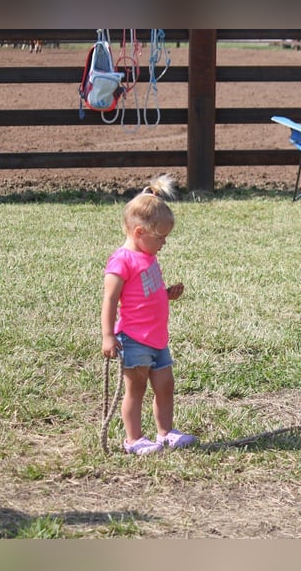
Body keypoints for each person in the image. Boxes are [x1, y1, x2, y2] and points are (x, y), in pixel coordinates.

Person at [101, 174, 197, 455]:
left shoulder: (148, 257)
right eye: (161, 237)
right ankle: (133, 439)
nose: (164, 244)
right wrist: (108, 335)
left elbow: (144, 292)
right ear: (139, 233)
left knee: (165, 386)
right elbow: (110, 300)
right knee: (137, 390)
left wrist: (166, 294)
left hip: (157, 339)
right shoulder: (122, 261)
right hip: (133, 339)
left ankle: (165, 432)